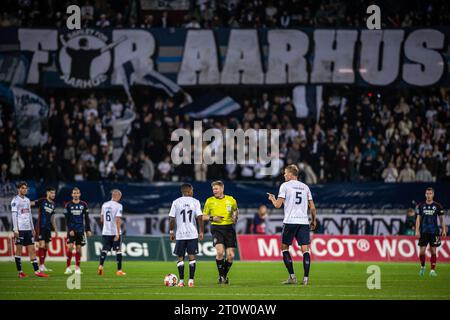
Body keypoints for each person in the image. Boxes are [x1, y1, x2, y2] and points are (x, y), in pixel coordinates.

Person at [267, 164, 317, 285]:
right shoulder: (305, 187)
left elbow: (278, 205)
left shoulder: (285, 186)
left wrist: (272, 199)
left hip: (290, 221)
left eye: (285, 173)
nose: (284, 175)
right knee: (305, 250)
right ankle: (305, 279)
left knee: (284, 248)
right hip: (304, 222)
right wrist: (313, 221)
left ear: (290, 174)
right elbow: (313, 208)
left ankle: (292, 277)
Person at [202, 180, 238, 285]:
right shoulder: (209, 201)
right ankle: (222, 277)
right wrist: (213, 217)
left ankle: (223, 276)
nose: (214, 191)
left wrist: (235, 216)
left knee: (230, 255)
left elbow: (235, 210)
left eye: (216, 189)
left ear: (222, 189)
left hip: (229, 228)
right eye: (213, 189)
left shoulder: (231, 200)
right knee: (220, 252)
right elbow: (203, 216)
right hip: (216, 228)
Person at [168, 183, 204, 287]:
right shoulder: (195, 202)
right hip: (192, 234)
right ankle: (191, 281)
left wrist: (171, 231)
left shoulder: (176, 202)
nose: (193, 192)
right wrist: (201, 231)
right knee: (192, 258)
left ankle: (181, 281)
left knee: (180, 258)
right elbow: (200, 217)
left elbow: (171, 218)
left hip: (180, 234)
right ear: (188, 191)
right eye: (192, 190)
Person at [11, 182, 48, 278]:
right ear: (18, 189)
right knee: (18, 250)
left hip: (28, 229)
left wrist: (32, 228)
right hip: (20, 229)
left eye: (26, 188)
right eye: (22, 188)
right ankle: (20, 272)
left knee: (32, 250)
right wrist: (15, 229)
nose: (25, 190)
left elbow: (29, 215)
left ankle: (37, 271)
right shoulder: (15, 201)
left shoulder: (27, 200)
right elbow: (14, 215)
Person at [415, 187, 446, 277]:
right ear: (425, 195)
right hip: (424, 231)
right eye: (427, 194)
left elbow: (441, 219)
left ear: (433, 195)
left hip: (434, 232)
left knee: (433, 251)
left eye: (430, 194)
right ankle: (423, 266)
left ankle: (432, 270)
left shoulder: (438, 206)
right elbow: (418, 219)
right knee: (422, 252)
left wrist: (443, 229)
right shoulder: (421, 206)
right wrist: (417, 230)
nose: (428, 195)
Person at [98, 189, 126, 276]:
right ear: (116, 196)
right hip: (114, 232)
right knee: (118, 250)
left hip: (106, 231)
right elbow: (118, 220)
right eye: (120, 196)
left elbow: (101, 219)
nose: (120, 198)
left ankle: (101, 266)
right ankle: (119, 270)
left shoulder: (104, 205)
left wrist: (107, 225)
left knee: (105, 249)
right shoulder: (119, 206)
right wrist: (117, 233)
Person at [64, 187, 91, 275]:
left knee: (79, 249)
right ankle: (68, 267)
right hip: (72, 230)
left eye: (77, 193)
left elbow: (86, 218)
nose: (76, 195)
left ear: (79, 194)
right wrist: (70, 229)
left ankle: (77, 268)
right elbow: (66, 219)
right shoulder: (68, 205)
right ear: (72, 194)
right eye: (74, 193)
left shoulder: (84, 204)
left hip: (80, 229)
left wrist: (88, 230)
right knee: (70, 247)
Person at [31, 187, 58, 272]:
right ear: (47, 193)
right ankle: (40, 265)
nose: (53, 195)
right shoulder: (42, 200)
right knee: (42, 245)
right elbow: (32, 203)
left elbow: (52, 218)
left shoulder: (53, 204)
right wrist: (23, 203)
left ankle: (42, 265)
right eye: (52, 193)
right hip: (40, 226)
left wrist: (55, 229)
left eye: (54, 193)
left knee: (46, 246)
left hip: (48, 228)